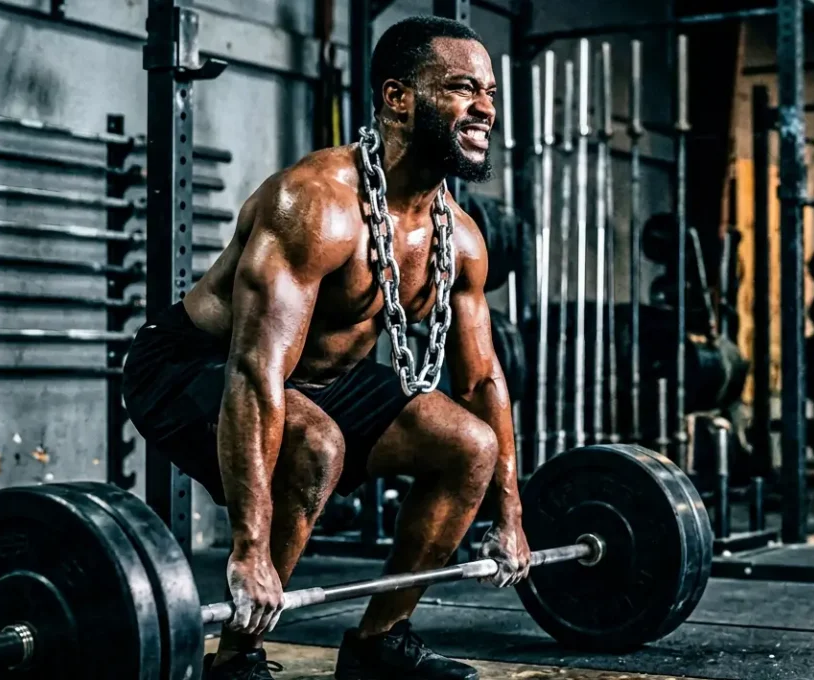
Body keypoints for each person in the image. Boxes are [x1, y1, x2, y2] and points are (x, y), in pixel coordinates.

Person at [122, 16, 525, 680]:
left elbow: (482, 382)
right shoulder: (313, 204)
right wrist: (250, 548)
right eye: (461, 88)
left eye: (489, 93)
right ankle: (240, 656)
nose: (485, 107)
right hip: (191, 364)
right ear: (399, 98)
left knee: (469, 446)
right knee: (317, 445)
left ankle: (379, 645)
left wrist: (510, 515)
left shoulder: (461, 236)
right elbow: (255, 370)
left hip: (322, 377)